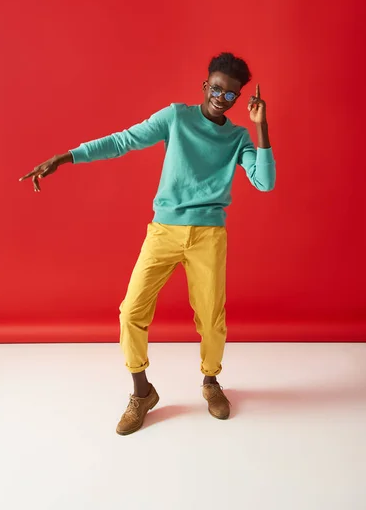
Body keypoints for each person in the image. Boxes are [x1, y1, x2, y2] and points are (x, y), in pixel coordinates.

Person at [20, 52, 276, 435]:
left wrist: (261, 127)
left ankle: (210, 382)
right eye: (216, 88)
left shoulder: (238, 137)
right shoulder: (176, 117)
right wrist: (68, 156)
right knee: (131, 312)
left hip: (209, 236)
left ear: (238, 99)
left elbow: (264, 182)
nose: (220, 98)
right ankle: (142, 393)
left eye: (230, 95)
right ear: (205, 85)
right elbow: (124, 140)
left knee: (211, 319)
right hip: (164, 231)